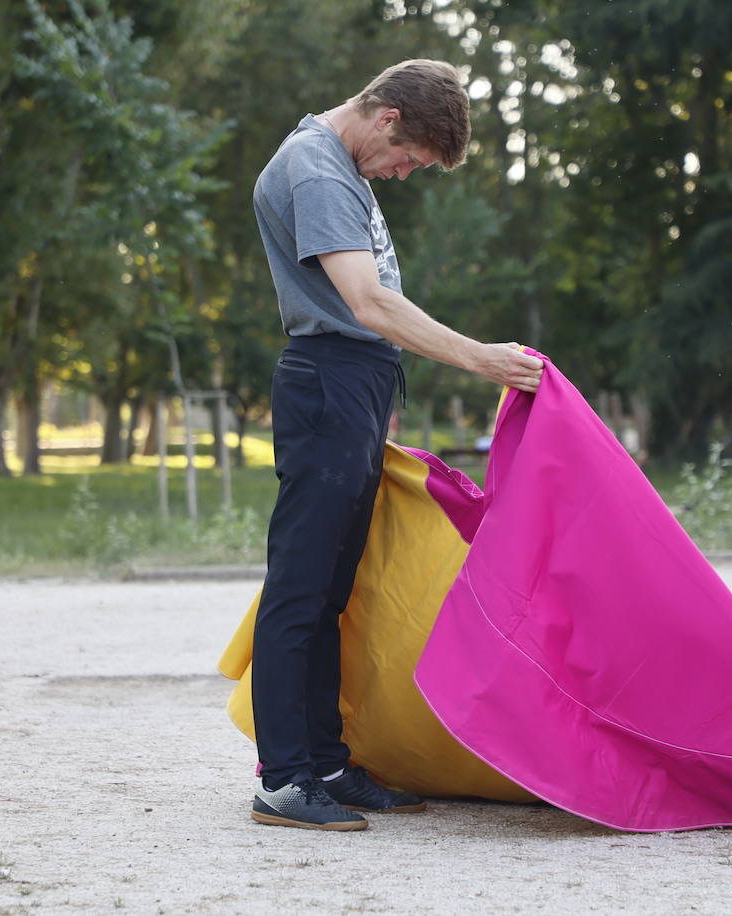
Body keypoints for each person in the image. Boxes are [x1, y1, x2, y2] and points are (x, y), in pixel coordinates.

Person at [249, 59, 544, 832]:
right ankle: (283, 778)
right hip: (328, 381)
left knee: (332, 591)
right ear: (385, 119)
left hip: (355, 386)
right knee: (300, 585)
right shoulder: (315, 169)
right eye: (408, 160)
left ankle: (326, 762)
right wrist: (480, 357)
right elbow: (370, 301)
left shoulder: (343, 167)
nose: (403, 175)